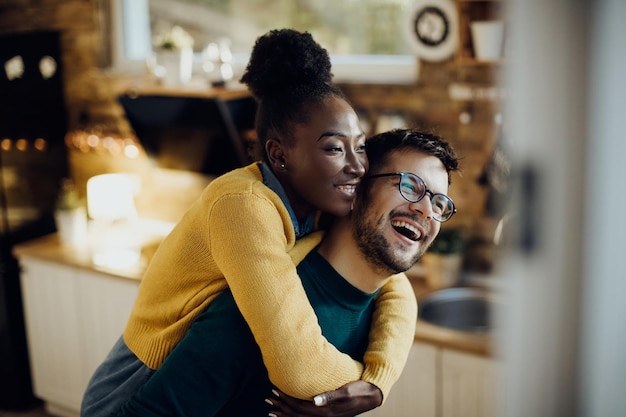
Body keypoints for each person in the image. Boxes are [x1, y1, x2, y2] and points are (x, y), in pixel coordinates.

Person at [81, 29, 417, 417]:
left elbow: (396, 285)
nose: (357, 165)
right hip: (136, 387)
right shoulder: (242, 204)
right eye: (333, 148)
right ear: (279, 154)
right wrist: (361, 387)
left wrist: (378, 382)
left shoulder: (322, 200)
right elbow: (300, 370)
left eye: (359, 145)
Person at [115, 128, 460, 417]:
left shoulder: (385, 313)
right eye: (410, 186)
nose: (426, 210)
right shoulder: (262, 309)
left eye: (440, 203)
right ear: (356, 188)